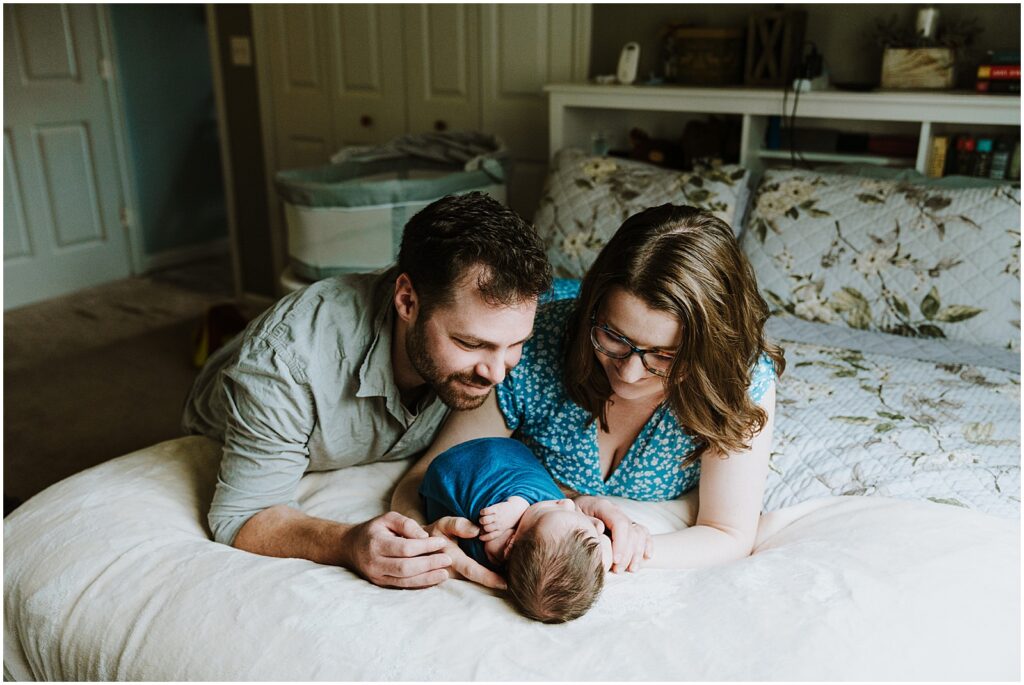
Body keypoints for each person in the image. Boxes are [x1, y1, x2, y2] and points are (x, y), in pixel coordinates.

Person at [182, 192, 552, 589]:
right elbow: (241, 516)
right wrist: (348, 542)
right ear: (407, 300)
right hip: (232, 398)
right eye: (470, 343)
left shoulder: (499, 347)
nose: (497, 373)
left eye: (515, 344)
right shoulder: (282, 366)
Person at [393, 204, 784, 574]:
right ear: (592, 312)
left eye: (665, 356)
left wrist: (600, 552)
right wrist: (422, 540)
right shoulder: (534, 343)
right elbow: (429, 474)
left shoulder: (739, 379)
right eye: (613, 337)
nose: (629, 373)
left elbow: (728, 532)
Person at [419, 437, 612, 623]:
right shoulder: (554, 526)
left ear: (509, 544)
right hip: (511, 453)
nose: (567, 503)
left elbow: (492, 531)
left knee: (494, 510)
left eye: (548, 510)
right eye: (577, 513)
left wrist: (517, 505)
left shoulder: (497, 542)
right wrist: (599, 542)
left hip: (459, 467)